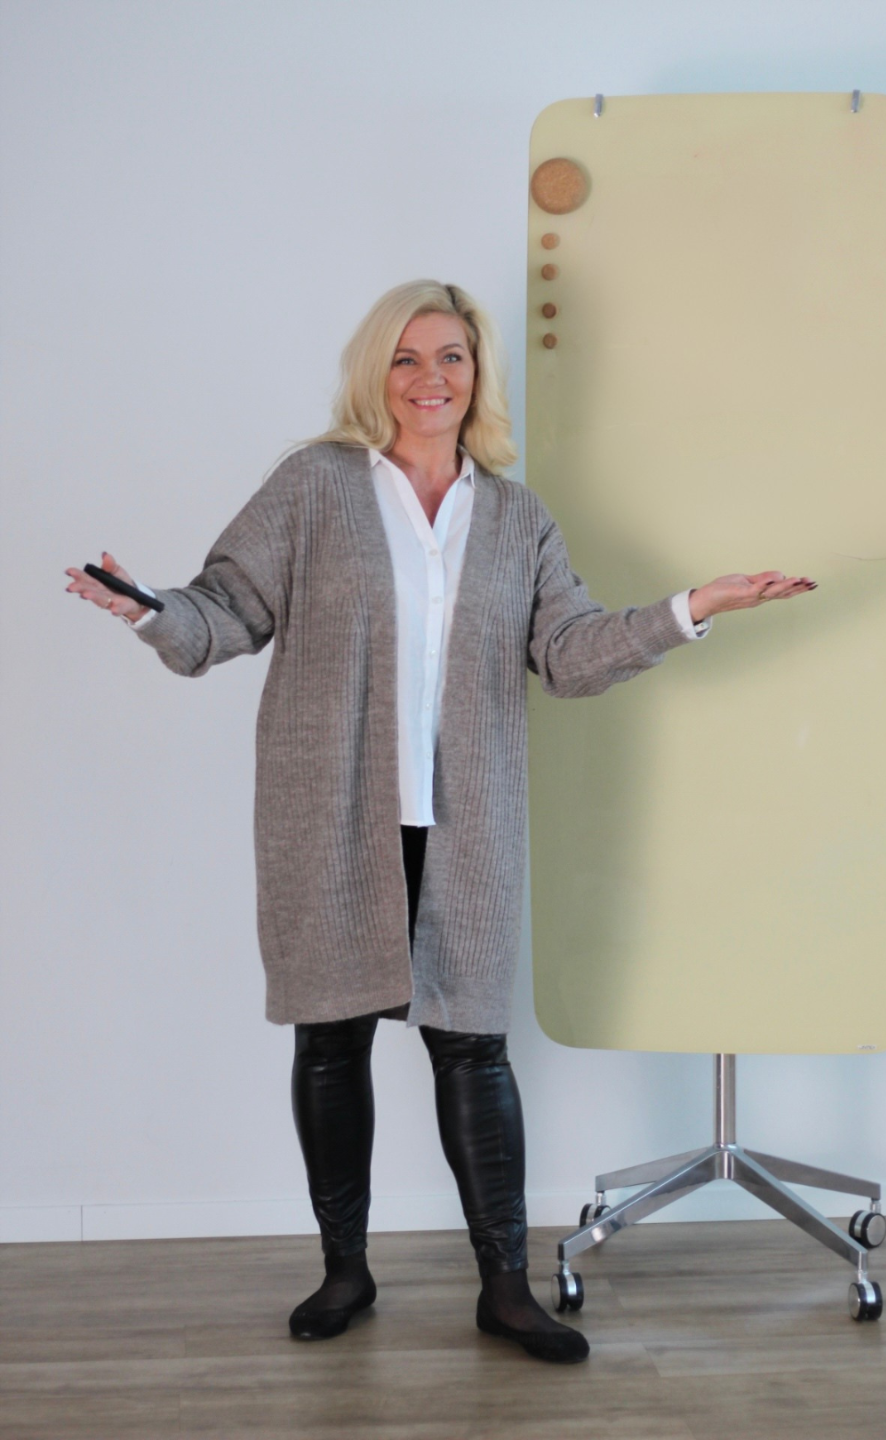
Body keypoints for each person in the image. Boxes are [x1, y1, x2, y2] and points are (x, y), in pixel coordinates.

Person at [66, 279, 815, 1364]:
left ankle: (505, 1288)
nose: (431, 378)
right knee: (331, 1041)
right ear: (377, 372)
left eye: (452, 357)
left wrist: (690, 609)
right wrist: (149, 609)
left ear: (477, 374)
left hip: (465, 825)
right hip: (332, 817)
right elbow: (224, 611)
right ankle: (345, 1270)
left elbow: (569, 654)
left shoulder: (515, 516)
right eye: (408, 357)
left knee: (473, 1048)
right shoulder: (315, 486)